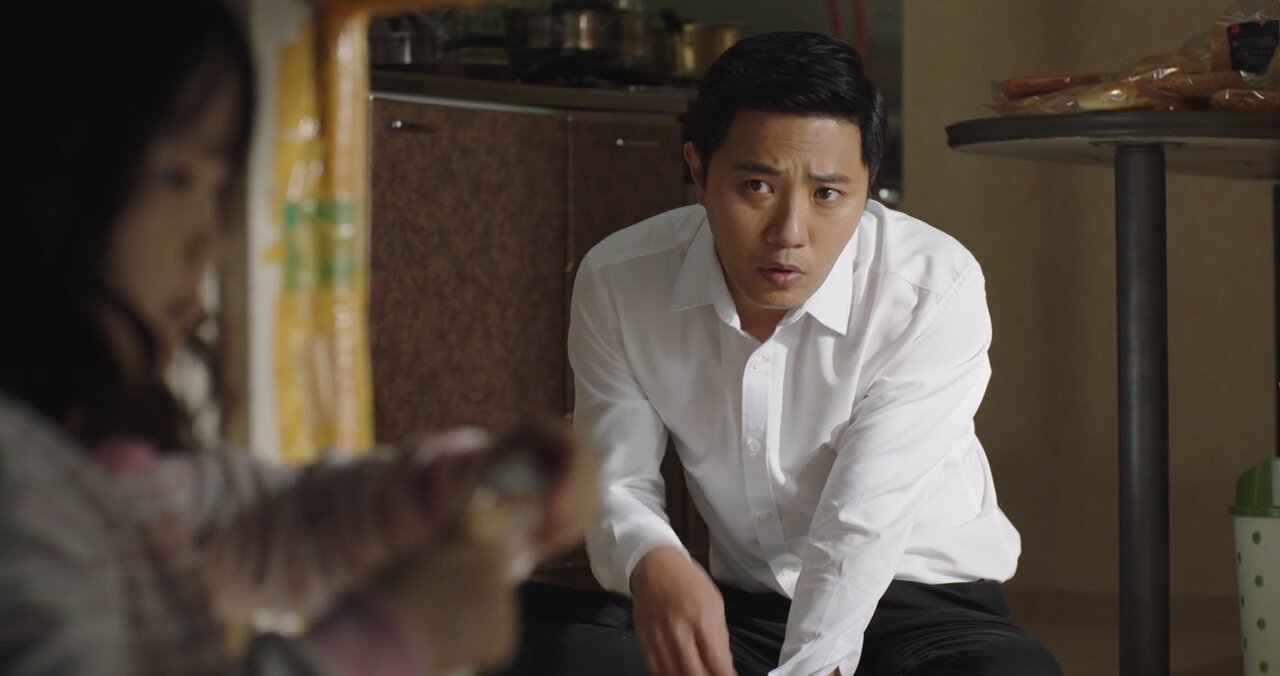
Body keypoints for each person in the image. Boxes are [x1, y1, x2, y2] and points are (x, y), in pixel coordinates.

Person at [0, 2, 594, 675]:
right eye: (175, 177)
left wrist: (475, 484)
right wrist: (395, 640)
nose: (207, 239)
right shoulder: (19, 493)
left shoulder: (113, 477)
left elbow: (286, 520)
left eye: (216, 191)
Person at [505, 31, 1062, 676]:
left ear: (867, 186)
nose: (789, 234)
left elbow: (861, 520)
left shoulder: (932, 288)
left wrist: (811, 668)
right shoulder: (621, 278)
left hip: (925, 612)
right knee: (501, 630)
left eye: (828, 194)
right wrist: (650, 557)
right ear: (697, 170)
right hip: (746, 613)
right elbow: (617, 479)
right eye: (757, 187)